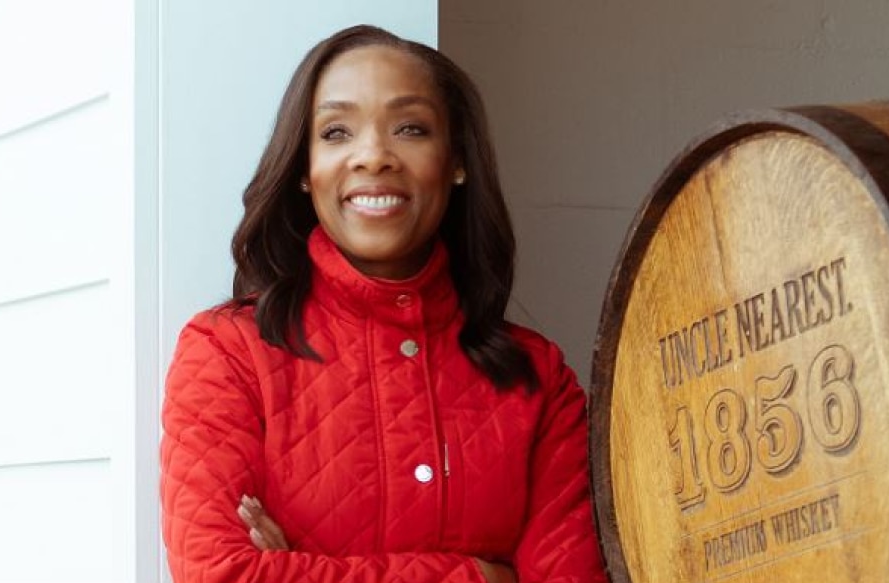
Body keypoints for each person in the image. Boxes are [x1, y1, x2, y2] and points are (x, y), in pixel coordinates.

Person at [159, 24, 610, 583]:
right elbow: (219, 574)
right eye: (337, 132)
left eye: (410, 128)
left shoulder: (540, 383)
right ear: (304, 169)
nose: (373, 156)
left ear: (456, 161)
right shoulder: (228, 354)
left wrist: (296, 568)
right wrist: (483, 576)